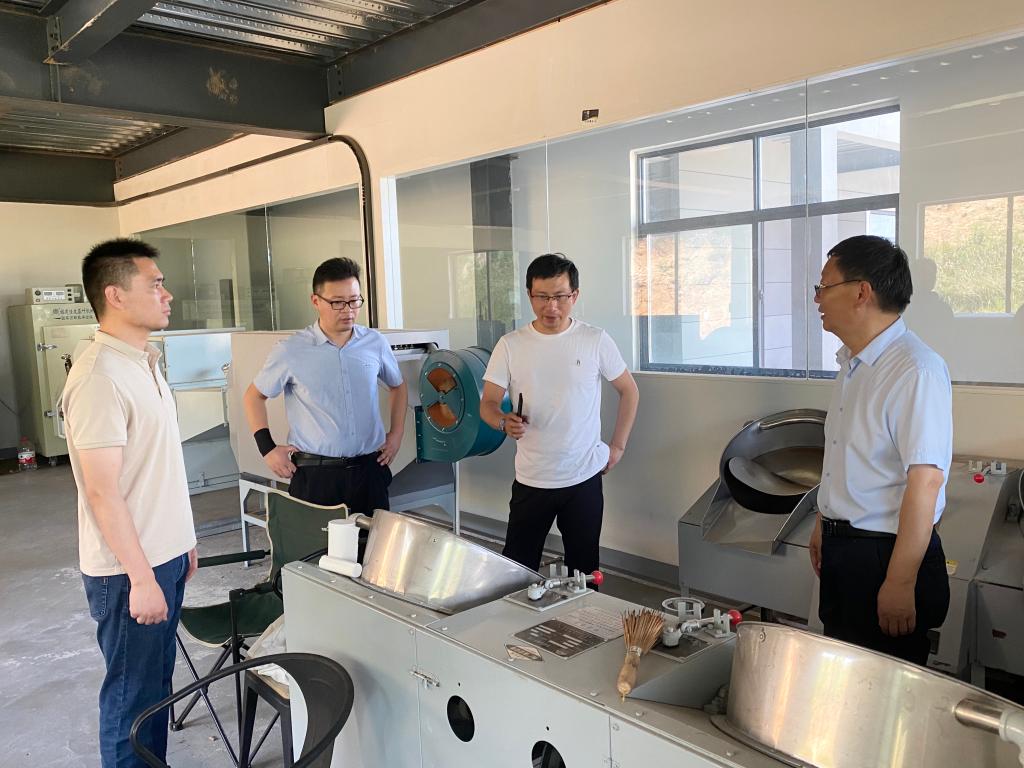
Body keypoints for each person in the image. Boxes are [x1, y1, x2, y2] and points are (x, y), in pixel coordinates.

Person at [64, 238, 198, 767]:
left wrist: (183, 541)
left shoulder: (144, 362)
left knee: (154, 689)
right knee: (131, 701)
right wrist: (141, 577)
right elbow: (103, 490)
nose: (168, 294)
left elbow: (157, 469)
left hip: (164, 556)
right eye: (155, 284)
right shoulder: (99, 376)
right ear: (115, 295)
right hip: (128, 571)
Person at [808, 235, 952, 665]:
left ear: (861, 292)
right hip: (845, 549)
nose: (817, 299)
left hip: (884, 556)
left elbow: (925, 482)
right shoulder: (853, 365)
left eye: (823, 286)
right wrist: (824, 520)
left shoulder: (915, 369)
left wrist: (900, 582)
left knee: (883, 682)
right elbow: (846, 457)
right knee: (844, 672)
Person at [481, 253, 639, 576]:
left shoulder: (594, 340)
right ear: (529, 295)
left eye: (560, 297)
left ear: (574, 296)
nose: (551, 306)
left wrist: (618, 447)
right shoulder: (510, 345)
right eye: (541, 297)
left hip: (583, 478)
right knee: (516, 573)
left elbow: (629, 390)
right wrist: (503, 421)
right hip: (532, 478)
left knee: (585, 574)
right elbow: (488, 404)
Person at [243, 257, 407, 517]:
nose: (348, 310)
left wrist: (396, 434)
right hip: (316, 475)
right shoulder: (291, 350)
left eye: (354, 301)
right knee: (317, 544)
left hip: (369, 471)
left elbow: (398, 386)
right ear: (315, 301)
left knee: (373, 543)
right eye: (337, 302)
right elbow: (253, 397)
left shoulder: (374, 343)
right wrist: (268, 449)